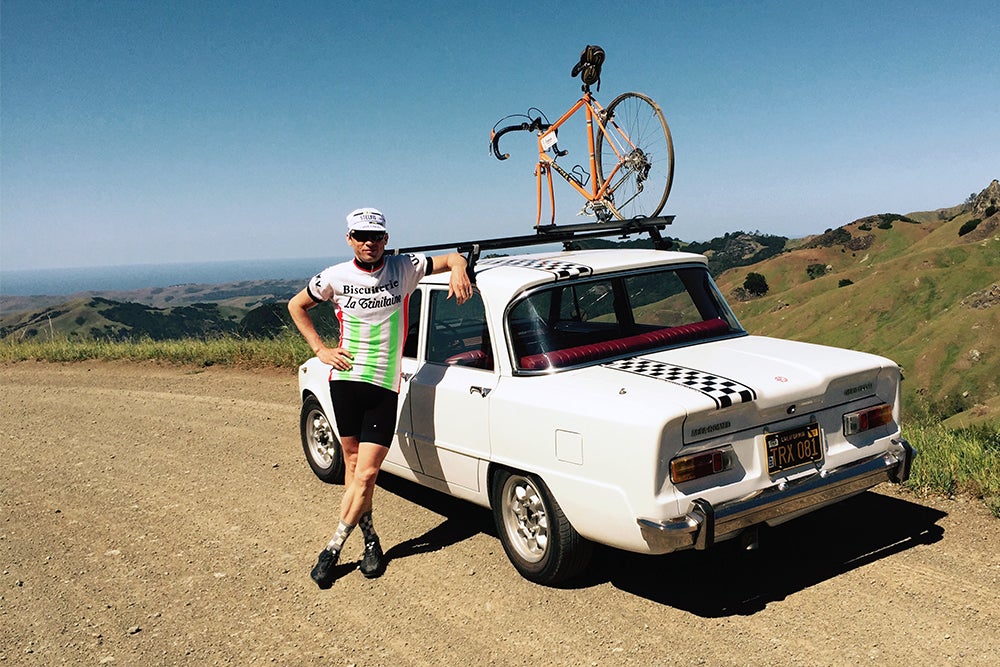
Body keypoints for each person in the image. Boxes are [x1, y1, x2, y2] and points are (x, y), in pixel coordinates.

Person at [287, 207, 473, 588]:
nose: (368, 242)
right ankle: (371, 540)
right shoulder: (335, 276)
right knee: (355, 468)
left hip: (385, 383)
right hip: (346, 380)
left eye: (375, 236)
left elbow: (455, 256)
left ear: (386, 238)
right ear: (349, 239)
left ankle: (332, 549)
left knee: (368, 472)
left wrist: (459, 270)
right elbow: (296, 306)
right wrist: (320, 350)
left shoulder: (405, 267)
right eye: (360, 235)